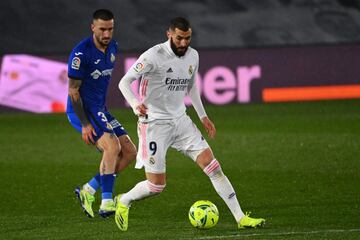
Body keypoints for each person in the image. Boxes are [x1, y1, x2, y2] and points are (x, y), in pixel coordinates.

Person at [115, 17, 265, 231]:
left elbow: (192, 86)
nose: (184, 43)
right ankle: (125, 200)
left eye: (187, 38)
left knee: (213, 167)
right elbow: (124, 82)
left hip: (181, 121)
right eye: (179, 38)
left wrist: (203, 116)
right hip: (154, 124)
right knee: (156, 186)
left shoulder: (193, 55)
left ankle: (241, 218)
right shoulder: (152, 56)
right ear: (169, 34)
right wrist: (134, 104)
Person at [66, 9, 137, 218]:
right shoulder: (80, 54)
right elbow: (73, 91)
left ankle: (89, 190)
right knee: (112, 146)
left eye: (110, 29)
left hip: (100, 109)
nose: (107, 34)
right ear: (93, 28)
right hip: (84, 111)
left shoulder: (113, 47)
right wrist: (85, 124)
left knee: (130, 151)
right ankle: (107, 202)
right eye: (102, 29)